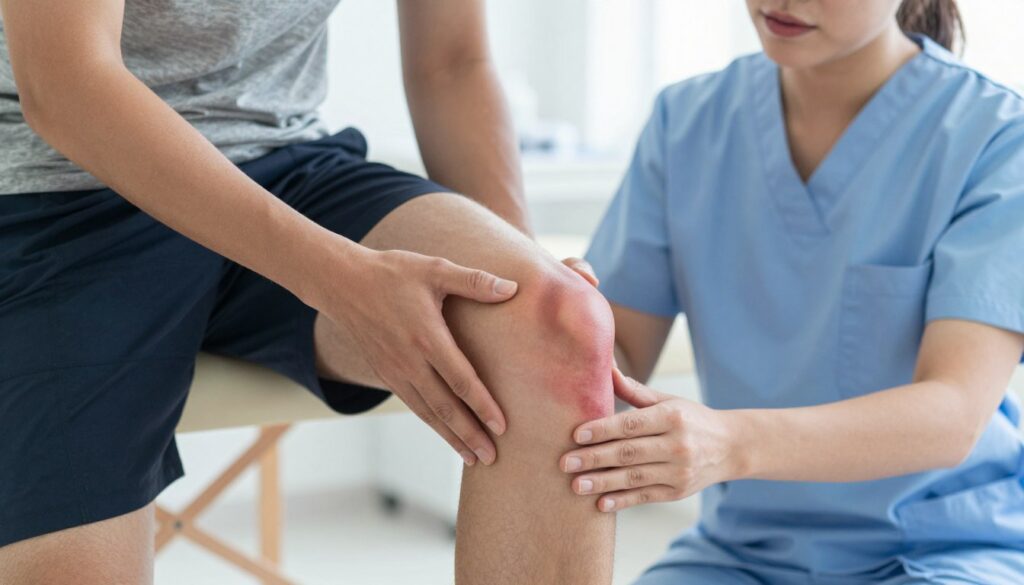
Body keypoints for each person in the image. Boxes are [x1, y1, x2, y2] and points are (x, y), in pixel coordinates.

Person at [0, 1, 616, 584]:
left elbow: (452, 62)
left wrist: (522, 271)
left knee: (552, 327)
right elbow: (65, 82)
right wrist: (336, 278)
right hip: (62, 192)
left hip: (287, 165)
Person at [561, 0, 1024, 583]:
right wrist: (570, 335)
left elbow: (954, 412)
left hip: (942, 551)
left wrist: (729, 443)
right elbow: (619, 359)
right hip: (739, 553)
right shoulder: (686, 122)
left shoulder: (997, 137)